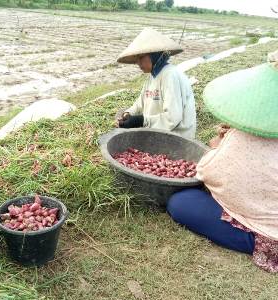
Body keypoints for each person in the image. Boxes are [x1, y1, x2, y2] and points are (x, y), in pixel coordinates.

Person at [167, 51, 278, 272]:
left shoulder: (245, 136)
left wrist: (220, 143)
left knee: (181, 202)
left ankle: (251, 239)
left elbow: (208, 173)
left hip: (269, 234)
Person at [116, 28, 196, 139]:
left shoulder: (170, 75)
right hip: (158, 134)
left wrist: (142, 120)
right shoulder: (152, 76)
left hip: (176, 139)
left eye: (141, 57)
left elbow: (172, 119)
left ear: (155, 55)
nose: (138, 63)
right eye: (136, 59)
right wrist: (129, 114)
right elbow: (140, 103)